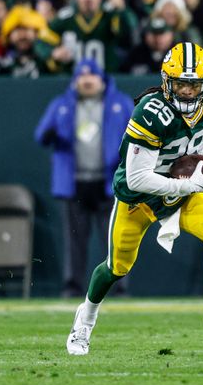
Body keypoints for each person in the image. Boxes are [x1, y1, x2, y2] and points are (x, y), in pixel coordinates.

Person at [66, 42, 203, 356]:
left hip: (180, 191)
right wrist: (189, 184)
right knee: (116, 268)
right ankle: (85, 319)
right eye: (180, 84)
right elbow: (139, 178)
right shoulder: (151, 113)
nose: (188, 92)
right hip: (139, 198)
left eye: (195, 85)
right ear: (167, 81)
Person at [35, 58, 133, 297]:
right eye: (81, 76)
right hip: (75, 181)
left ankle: (119, 286)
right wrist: (51, 131)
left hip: (110, 182)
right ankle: (73, 285)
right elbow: (41, 136)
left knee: (114, 237)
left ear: (102, 79)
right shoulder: (62, 105)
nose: (86, 81)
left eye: (91, 76)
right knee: (74, 240)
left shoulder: (120, 103)